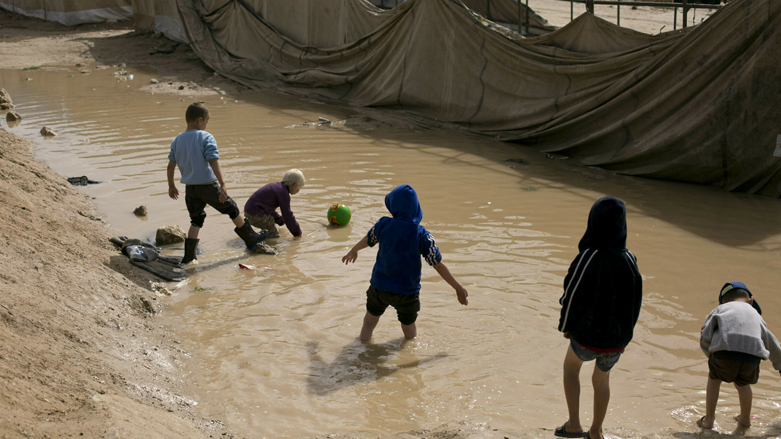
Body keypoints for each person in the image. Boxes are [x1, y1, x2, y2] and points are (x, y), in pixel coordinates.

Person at [556, 197, 642, 439]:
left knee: (571, 368)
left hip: (587, 336)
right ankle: (596, 431)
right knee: (602, 380)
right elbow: (635, 301)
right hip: (616, 340)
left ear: (592, 222)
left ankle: (574, 425)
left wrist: (566, 326)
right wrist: (626, 335)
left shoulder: (588, 256)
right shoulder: (629, 258)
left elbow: (571, 295)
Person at [341, 184, 468, 342]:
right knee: (409, 328)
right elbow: (438, 265)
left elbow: (369, 239)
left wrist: (354, 250)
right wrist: (457, 287)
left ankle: (362, 346)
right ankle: (410, 353)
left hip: (379, 288)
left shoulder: (383, 224)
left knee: (369, 321)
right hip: (407, 293)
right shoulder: (422, 235)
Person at [167, 103, 268, 264]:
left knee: (196, 220)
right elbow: (213, 161)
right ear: (200, 120)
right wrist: (222, 183)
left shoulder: (177, 140)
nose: (206, 125)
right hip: (207, 185)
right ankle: (250, 238)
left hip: (191, 189)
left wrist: (171, 186)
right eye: (206, 121)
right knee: (231, 208)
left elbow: (170, 166)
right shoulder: (205, 137)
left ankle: (189, 256)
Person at [697, 282, 781, 432]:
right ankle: (745, 419)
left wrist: (710, 354)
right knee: (743, 384)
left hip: (724, 353)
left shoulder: (720, 309)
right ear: (751, 301)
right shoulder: (756, 314)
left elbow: (705, 334)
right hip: (752, 358)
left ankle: (709, 419)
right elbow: (770, 341)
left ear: (723, 302)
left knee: (714, 379)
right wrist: (779, 364)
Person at [244, 169, 305, 239]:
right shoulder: (283, 194)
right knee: (274, 237)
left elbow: (268, 209)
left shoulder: (276, 187)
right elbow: (287, 215)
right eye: (299, 188)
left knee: (269, 225)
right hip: (256, 215)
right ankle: (267, 244)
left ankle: (260, 237)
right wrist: (297, 233)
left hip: (249, 213)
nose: (298, 191)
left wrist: (280, 221)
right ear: (294, 185)